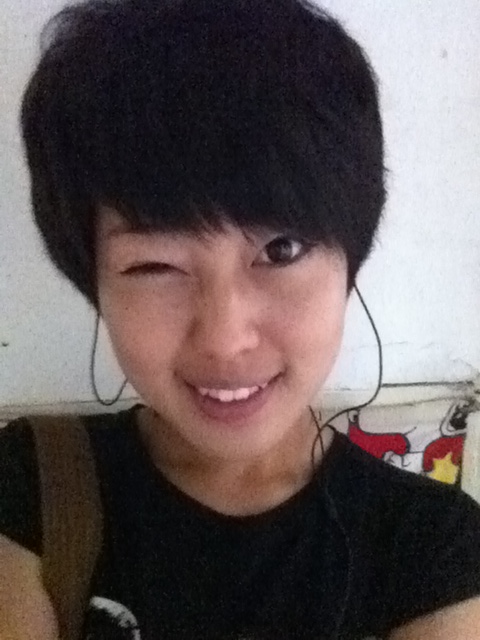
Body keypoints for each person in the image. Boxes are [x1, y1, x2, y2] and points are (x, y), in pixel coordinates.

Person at [1, 0, 480, 638]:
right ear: (93, 282)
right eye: (155, 266)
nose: (225, 339)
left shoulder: (433, 548)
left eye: (281, 250)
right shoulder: (32, 485)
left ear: (351, 259)